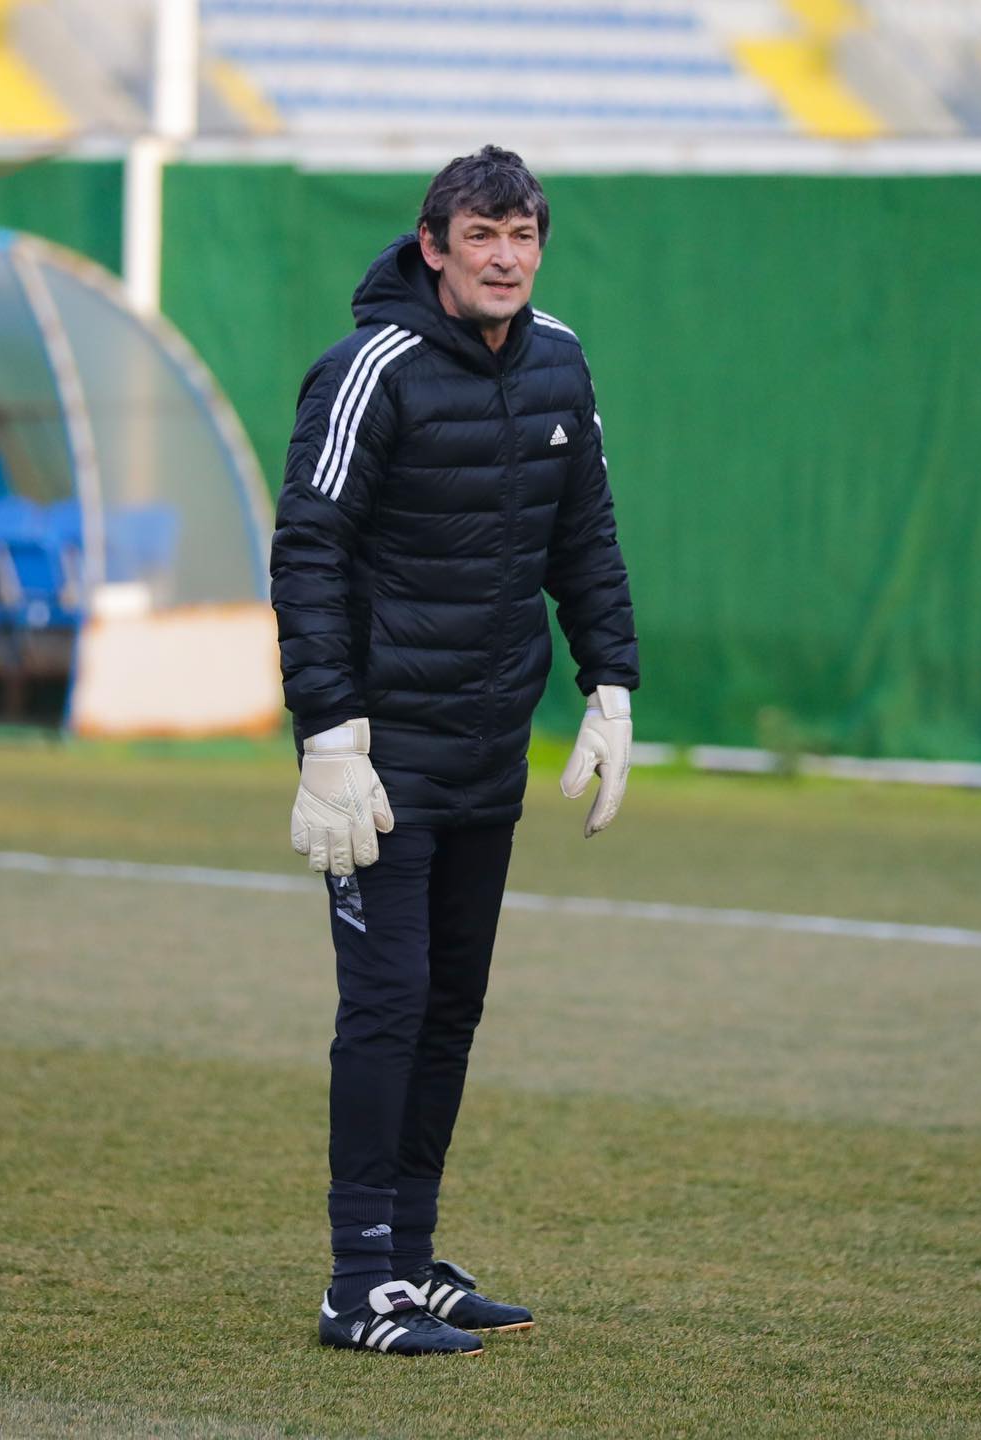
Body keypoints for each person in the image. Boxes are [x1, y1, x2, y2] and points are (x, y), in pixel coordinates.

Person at [270, 144, 640, 1357]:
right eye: (481, 235)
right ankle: (355, 1284)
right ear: (433, 246)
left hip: (490, 748)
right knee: (385, 1004)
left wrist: (610, 686)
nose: (505, 258)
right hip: (380, 760)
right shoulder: (367, 370)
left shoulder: (561, 360)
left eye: (522, 236)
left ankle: (410, 1261)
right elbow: (309, 550)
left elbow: (584, 535)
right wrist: (329, 735)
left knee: (449, 1007)